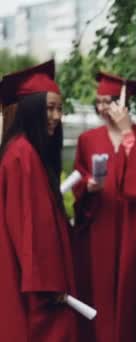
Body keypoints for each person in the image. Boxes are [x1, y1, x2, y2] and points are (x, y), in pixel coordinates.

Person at [71, 72, 136, 342]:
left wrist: (126, 132)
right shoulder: (87, 139)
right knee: (95, 287)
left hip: (129, 222)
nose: (102, 107)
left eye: (109, 101)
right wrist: (86, 186)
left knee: (127, 290)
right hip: (98, 221)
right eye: (98, 101)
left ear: (124, 102)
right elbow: (78, 176)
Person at [0, 60, 78, 342]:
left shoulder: (22, 150)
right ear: (31, 109)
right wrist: (49, 285)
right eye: (49, 107)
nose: (57, 116)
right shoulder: (23, 155)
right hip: (38, 289)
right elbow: (30, 228)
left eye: (60, 108)